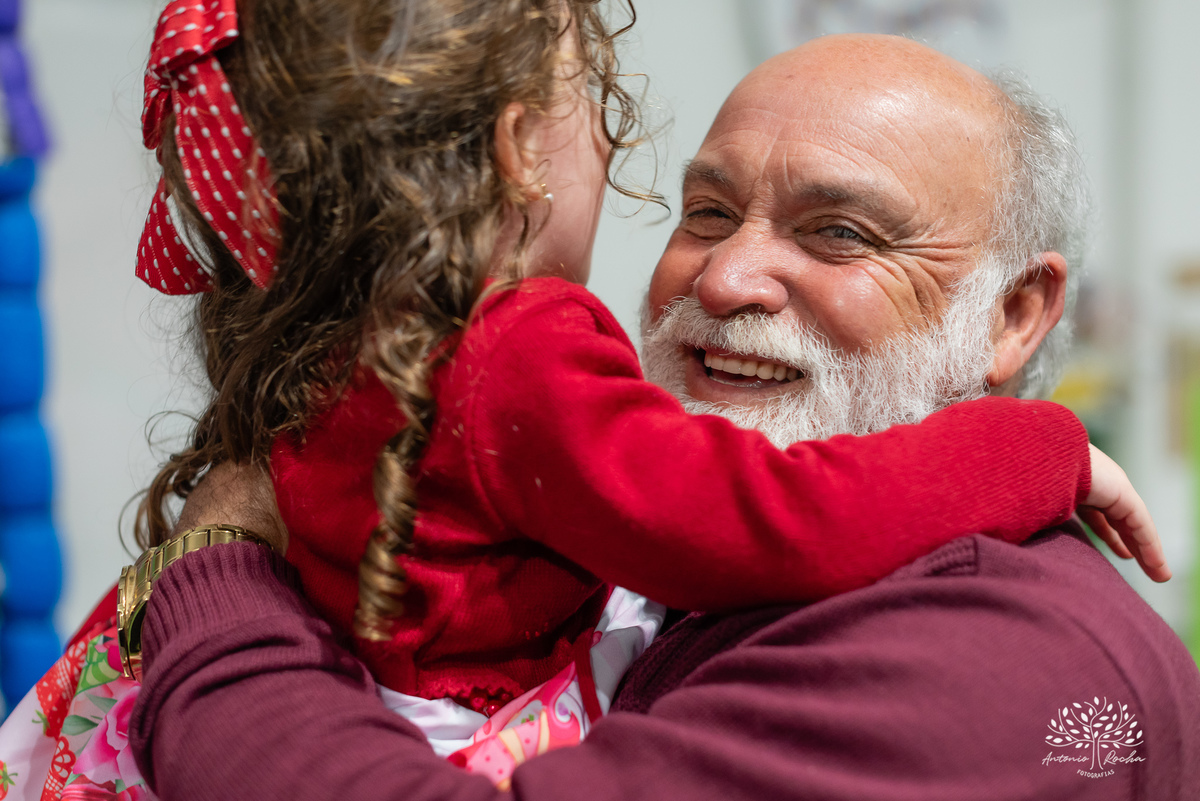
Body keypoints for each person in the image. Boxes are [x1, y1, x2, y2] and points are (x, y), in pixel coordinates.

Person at [121, 32, 1200, 801]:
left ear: (1015, 314)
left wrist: (219, 569)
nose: (726, 278)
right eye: (708, 213)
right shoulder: (631, 536)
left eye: (839, 234)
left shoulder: (997, 661)